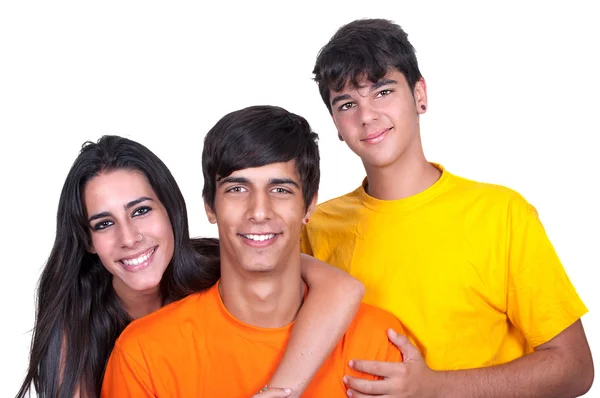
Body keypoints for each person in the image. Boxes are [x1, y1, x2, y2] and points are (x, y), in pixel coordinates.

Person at [301, 18, 594, 397]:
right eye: (347, 103)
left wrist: (435, 387)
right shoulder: (315, 225)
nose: (366, 115)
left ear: (420, 94)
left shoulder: (501, 214)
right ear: (336, 125)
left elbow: (574, 368)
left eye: (383, 91)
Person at [17, 135, 365, 398]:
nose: (129, 237)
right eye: (104, 223)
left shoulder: (222, 261)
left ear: (172, 210)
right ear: (88, 240)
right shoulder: (73, 327)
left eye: (141, 211)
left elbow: (343, 288)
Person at [100, 105, 404, 397]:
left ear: (309, 205)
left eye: (280, 190)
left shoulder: (375, 342)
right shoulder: (144, 355)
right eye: (237, 189)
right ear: (209, 206)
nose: (259, 211)